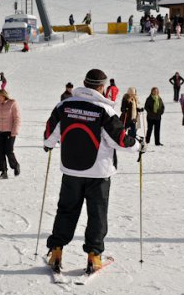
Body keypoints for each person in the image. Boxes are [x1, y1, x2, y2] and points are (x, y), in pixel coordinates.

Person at [43, 69, 142, 273]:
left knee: (66, 210)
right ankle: (94, 255)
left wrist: (49, 144)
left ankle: (56, 251)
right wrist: (139, 145)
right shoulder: (104, 110)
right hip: (99, 173)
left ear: (84, 83)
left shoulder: (64, 105)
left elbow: (50, 133)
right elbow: (121, 140)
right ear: (102, 87)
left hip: (71, 170)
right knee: (97, 213)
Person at [0, 89, 21, 179]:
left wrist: (14, 131)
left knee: (9, 151)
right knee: (0, 152)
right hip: (0, 132)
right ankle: (3, 172)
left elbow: (17, 119)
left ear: (3, 95)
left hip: (10, 131)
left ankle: (15, 165)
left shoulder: (12, 103)